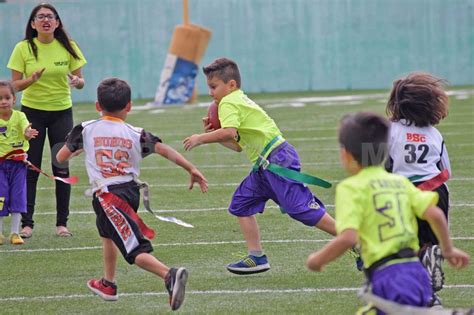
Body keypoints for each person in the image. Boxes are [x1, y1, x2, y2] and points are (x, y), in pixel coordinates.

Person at [56, 77, 208, 310]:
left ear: (98, 105)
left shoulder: (85, 129)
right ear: (129, 106)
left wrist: (78, 149)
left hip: (109, 197)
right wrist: (192, 168)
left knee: (134, 248)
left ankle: (169, 275)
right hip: (129, 191)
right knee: (107, 233)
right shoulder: (136, 133)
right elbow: (162, 149)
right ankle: (108, 283)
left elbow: (61, 157)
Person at [183, 57, 337, 275]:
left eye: (213, 87)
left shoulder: (228, 102)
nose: (210, 93)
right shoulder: (236, 99)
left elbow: (228, 132)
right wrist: (212, 135)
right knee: (241, 204)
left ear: (231, 85)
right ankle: (257, 257)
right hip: (265, 165)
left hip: (276, 159)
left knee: (300, 209)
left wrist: (200, 138)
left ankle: (353, 240)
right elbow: (236, 145)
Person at [306, 112, 470, 313]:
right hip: (416, 270)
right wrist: (448, 250)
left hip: (389, 275)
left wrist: (317, 260)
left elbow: (348, 237)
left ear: (346, 154)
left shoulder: (351, 188)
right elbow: (435, 215)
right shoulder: (399, 182)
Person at [7, 3, 87, 238]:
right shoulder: (23, 48)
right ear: (33, 24)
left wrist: (76, 82)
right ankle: (27, 223)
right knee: (29, 167)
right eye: (40, 17)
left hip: (62, 113)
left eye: (50, 17)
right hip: (32, 114)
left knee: (60, 165)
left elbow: (81, 82)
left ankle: (62, 223)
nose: (45, 20)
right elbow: (13, 87)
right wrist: (30, 80)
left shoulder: (68, 46)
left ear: (57, 22)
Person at [385, 72, 451, 306]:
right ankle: (429, 283)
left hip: (402, 194)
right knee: (428, 241)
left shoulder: (389, 131)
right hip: (435, 193)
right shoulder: (435, 134)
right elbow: (446, 171)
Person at [0, 81, 39, 246]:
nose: (3, 101)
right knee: (1, 197)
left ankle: (15, 233)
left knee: (18, 197)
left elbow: (25, 129)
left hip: (18, 166)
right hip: (1, 166)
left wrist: (27, 133)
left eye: (7, 97)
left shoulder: (20, 116)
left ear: (14, 99)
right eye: (0, 98)